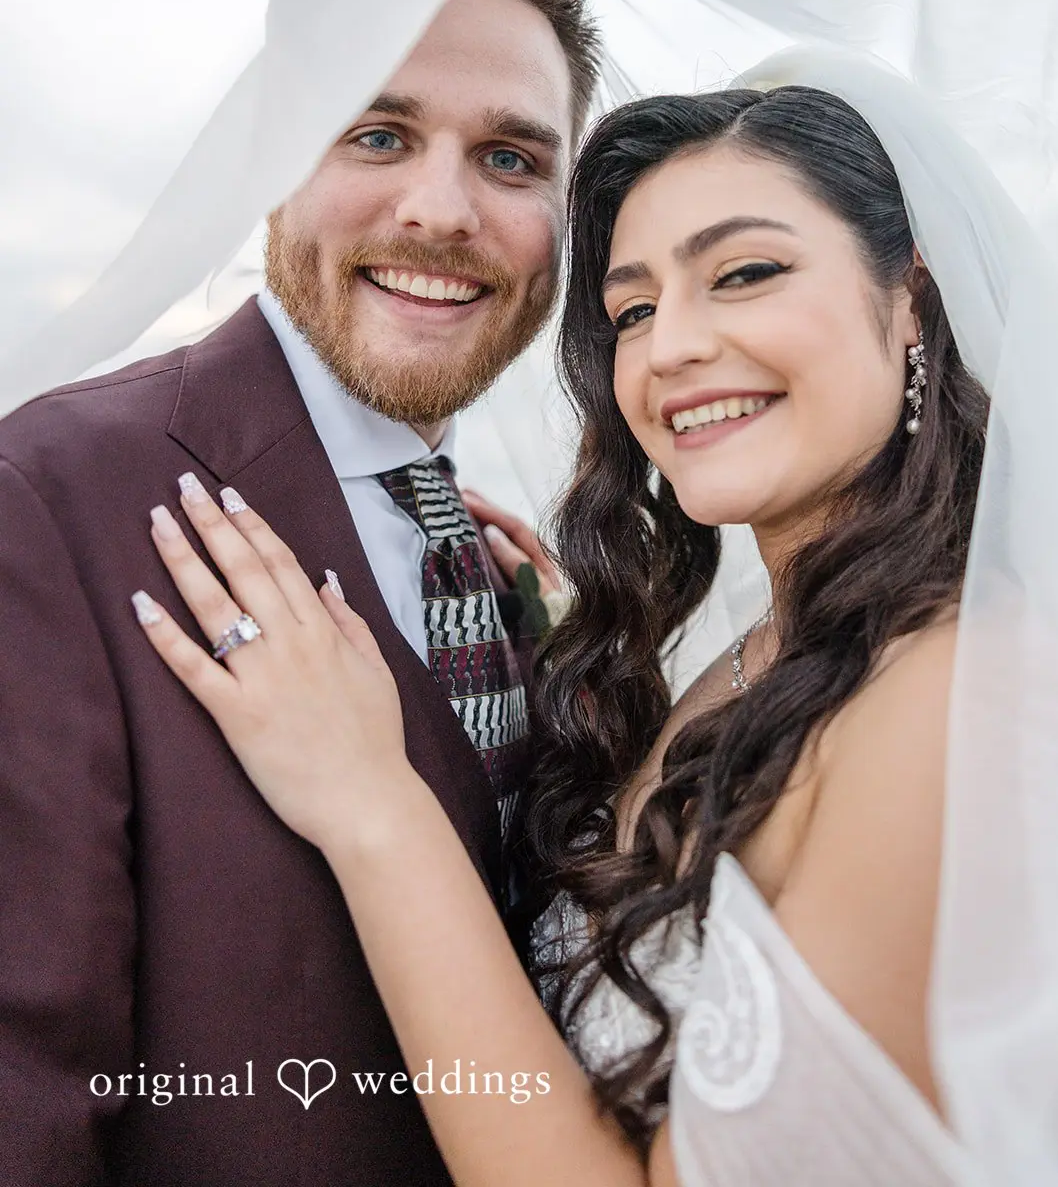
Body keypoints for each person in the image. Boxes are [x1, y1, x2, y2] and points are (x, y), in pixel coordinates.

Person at [134, 78, 990, 1186]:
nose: (669, 348)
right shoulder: (757, 661)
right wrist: (529, 655)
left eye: (744, 273)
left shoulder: (952, 693)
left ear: (910, 297)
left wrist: (373, 805)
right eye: (631, 310)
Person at [0, 0, 598, 1187]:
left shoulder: (495, 565)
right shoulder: (50, 495)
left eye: (507, 156)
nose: (439, 208)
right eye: (375, 134)